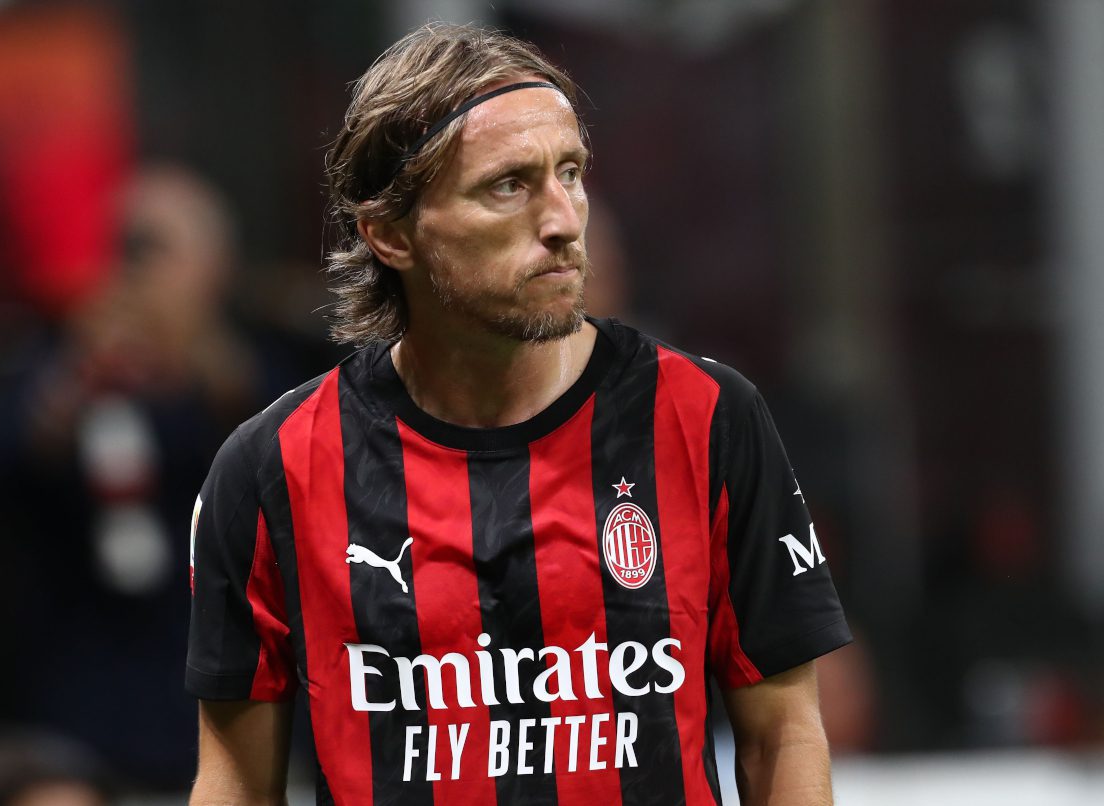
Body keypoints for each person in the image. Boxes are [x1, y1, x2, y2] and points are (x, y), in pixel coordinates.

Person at [186, 22, 851, 805]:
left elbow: (784, 735)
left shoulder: (705, 417)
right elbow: (234, 781)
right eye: (509, 185)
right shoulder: (273, 467)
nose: (564, 220)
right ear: (389, 233)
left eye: (570, 173)